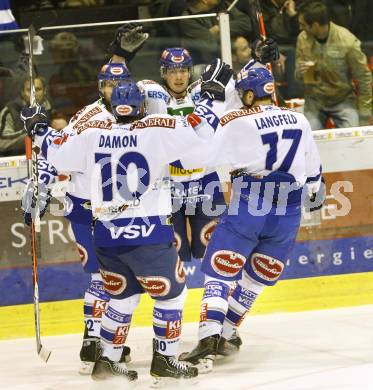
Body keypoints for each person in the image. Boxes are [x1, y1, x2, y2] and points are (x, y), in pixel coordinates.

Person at [21, 77, 223, 384]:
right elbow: (200, 144)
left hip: (106, 235)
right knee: (172, 296)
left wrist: (37, 128)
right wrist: (211, 102)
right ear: (141, 106)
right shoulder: (157, 128)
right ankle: (165, 362)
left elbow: (57, 153)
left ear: (112, 107)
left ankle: (107, 361)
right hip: (148, 233)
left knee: (121, 298)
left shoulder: (92, 133)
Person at [179, 65, 324, 372]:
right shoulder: (298, 119)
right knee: (257, 276)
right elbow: (314, 175)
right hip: (288, 208)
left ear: (247, 94)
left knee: (220, 271)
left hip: (251, 199)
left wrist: (212, 103)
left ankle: (208, 340)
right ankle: (229, 333)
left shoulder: (234, 120)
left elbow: (198, 157)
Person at [295, 1, 372, 130]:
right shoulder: (302, 39)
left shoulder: (347, 41)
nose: (300, 28)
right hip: (315, 100)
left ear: (315, 25)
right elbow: (298, 76)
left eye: (303, 25)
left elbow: (364, 78)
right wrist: (300, 72)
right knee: (309, 136)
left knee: (353, 138)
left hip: (343, 100)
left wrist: (364, 113)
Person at [0, 76, 51, 156]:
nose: (33, 94)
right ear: (22, 92)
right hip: (19, 162)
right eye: (29, 90)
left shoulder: (52, 111)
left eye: (37, 89)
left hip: (48, 162)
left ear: (44, 91)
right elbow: (2, 142)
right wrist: (28, 132)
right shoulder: (10, 111)